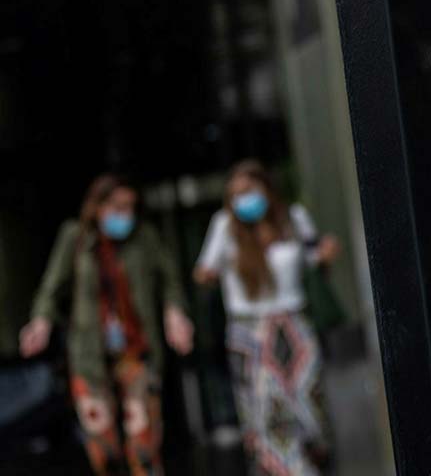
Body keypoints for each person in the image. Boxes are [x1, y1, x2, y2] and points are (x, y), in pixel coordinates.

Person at [20, 174, 194, 476]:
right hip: (89, 355)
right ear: (97, 206)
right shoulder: (75, 237)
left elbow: (170, 282)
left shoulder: (145, 238)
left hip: (137, 351)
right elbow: (52, 286)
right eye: (117, 206)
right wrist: (41, 320)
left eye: (130, 207)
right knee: (104, 449)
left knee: (144, 445)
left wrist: (175, 313)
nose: (124, 215)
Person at [193, 160, 339, 476]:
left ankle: (313, 465)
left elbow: (313, 259)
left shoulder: (293, 219)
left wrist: (325, 255)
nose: (244, 200)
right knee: (267, 414)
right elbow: (204, 270)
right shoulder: (225, 226)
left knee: (310, 409)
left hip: (295, 326)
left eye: (249, 191)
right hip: (251, 333)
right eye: (236, 195)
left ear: (267, 189)